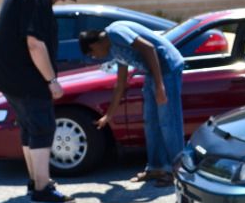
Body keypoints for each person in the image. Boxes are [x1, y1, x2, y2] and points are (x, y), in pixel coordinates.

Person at [0, 0, 79, 203]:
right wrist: (52, 81)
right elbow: (35, 43)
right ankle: (42, 188)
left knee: (30, 128)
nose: (61, 1)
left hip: (10, 76)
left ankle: (34, 180)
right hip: (27, 77)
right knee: (42, 127)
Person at [78, 21, 185, 186]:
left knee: (168, 121)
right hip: (153, 72)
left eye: (92, 54)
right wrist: (108, 115)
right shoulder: (114, 50)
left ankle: (177, 170)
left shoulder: (115, 32)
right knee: (151, 122)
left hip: (167, 68)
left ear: (94, 44)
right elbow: (120, 85)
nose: (95, 57)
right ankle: (156, 167)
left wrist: (159, 85)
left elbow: (148, 48)